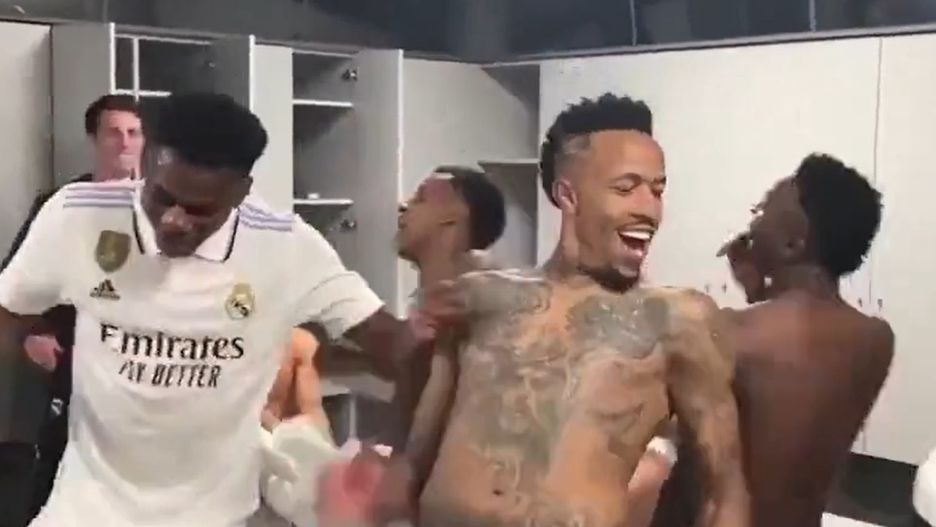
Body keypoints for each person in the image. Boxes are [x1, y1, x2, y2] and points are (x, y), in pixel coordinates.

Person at [0, 92, 429, 527]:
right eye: (162, 197)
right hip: (85, 512)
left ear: (241, 192)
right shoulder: (77, 216)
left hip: (214, 516)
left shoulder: (285, 246)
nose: (174, 221)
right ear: (147, 163)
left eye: (199, 210)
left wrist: (401, 457)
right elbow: (7, 316)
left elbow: (397, 348)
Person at [377, 93, 750, 527]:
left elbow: (724, 493)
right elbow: (412, 460)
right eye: (626, 188)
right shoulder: (480, 299)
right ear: (568, 195)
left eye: (657, 190)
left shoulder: (677, 320)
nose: (648, 209)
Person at [652, 154, 893, 527]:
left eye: (762, 210)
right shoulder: (876, 339)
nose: (752, 221)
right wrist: (760, 291)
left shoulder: (728, 335)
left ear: (793, 245)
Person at [0, 94, 144, 526]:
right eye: (113, 133)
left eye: (133, 133)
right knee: (60, 461)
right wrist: (35, 332)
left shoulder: (160, 208)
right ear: (94, 140)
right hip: (73, 356)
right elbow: (17, 280)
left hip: (141, 360)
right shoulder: (61, 204)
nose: (124, 142)